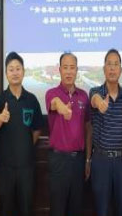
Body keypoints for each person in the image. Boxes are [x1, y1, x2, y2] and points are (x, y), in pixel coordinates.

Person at [0, 51, 43, 216]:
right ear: (6, 73)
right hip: (5, 167)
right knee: (5, 209)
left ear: (23, 71)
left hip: (26, 167)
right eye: (11, 69)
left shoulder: (32, 99)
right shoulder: (0, 99)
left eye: (18, 69)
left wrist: (24, 145)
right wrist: (0, 118)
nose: (15, 72)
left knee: (26, 209)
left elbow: (37, 129)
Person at [88, 48, 122, 216]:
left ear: (121, 70)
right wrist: (100, 103)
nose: (112, 68)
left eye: (116, 64)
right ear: (104, 69)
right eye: (109, 64)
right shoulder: (95, 91)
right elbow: (94, 100)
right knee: (101, 210)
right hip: (100, 160)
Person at [45, 52, 92, 216]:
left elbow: (88, 127)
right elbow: (54, 103)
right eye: (65, 67)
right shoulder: (51, 93)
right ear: (59, 70)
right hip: (59, 161)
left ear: (77, 70)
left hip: (78, 160)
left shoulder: (84, 96)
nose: (69, 71)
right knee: (57, 209)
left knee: (76, 208)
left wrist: (87, 159)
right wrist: (61, 107)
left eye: (72, 67)